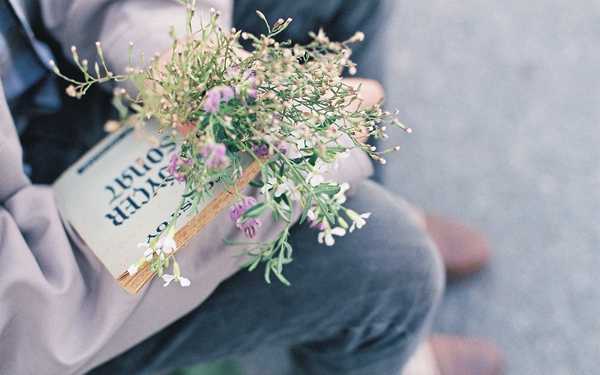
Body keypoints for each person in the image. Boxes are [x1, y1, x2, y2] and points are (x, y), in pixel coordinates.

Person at [0, 0, 502, 374]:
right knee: (393, 266)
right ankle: (378, 315)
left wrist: (187, 64)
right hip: (44, 297)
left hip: (46, 93)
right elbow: (20, 317)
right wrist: (285, 159)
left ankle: (349, 204)